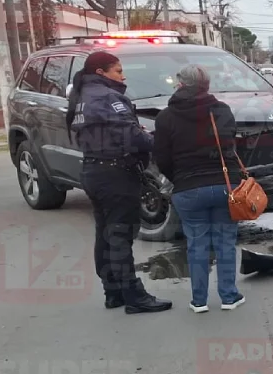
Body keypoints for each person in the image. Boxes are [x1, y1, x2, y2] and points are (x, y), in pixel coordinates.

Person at [68, 51, 173, 314]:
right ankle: (134, 295)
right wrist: (159, 142)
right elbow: (131, 137)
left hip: (94, 170)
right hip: (115, 174)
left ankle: (113, 291)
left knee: (105, 233)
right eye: (118, 70)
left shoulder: (81, 95)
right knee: (120, 236)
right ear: (101, 72)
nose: (123, 76)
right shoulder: (106, 97)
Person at [153, 65, 245, 313]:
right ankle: (229, 297)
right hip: (225, 186)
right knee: (225, 241)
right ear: (206, 85)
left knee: (197, 244)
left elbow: (161, 158)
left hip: (188, 189)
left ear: (181, 84)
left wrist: (179, 178)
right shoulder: (222, 110)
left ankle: (199, 301)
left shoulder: (165, 117)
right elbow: (231, 146)